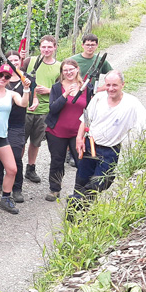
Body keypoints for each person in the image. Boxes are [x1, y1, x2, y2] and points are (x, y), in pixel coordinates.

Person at [69, 71, 146, 212]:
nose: (111, 88)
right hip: (90, 145)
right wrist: (79, 138)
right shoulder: (99, 98)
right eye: (108, 85)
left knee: (101, 182)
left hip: (110, 151)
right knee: (81, 180)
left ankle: (79, 203)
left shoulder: (132, 103)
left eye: (115, 85)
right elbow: (86, 119)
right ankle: (74, 215)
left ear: (123, 85)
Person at [0, 51, 37, 203]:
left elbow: (25, 103)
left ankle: (16, 188)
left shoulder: (26, 80)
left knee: (15, 156)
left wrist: (27, 89)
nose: (4, 78)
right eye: (10, 60)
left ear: (20, 61)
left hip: (16, 124)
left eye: (16, 60)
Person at [44, 59, 92, 202]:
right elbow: (52, 108)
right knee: (57, 160)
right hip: (57, 131)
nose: (69, 72)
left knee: (81, 161)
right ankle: (54, 189)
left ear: (77, 69)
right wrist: (65, 95)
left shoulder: (86, 88)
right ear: (62, 72)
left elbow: (89, 110)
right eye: (65, 70)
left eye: (71, 69)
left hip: (78, 133)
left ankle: (80, 191)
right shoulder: (57, 88)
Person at [22, 36, 60, 184]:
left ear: (55, 48)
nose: (46, 50)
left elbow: (61, 89)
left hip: (45, 109)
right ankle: (17, 166)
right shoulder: (30, 61)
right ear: (40, 48)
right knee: (21, 141)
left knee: (36, 142)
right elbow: (19, 77)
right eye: (44, 47)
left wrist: (49, 91)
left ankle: (31, 167)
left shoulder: (59, 66)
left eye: (49, 47)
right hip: (26, 108)